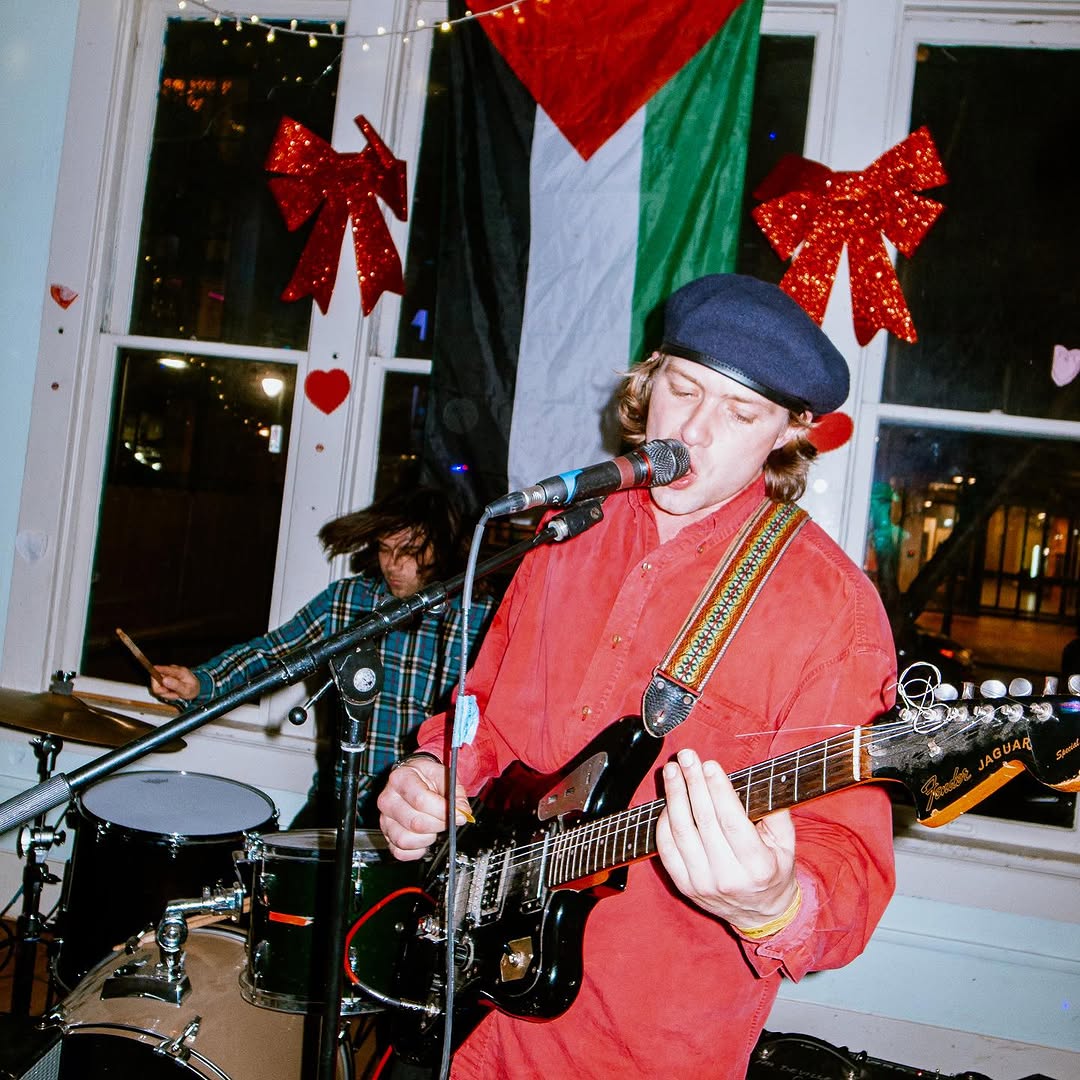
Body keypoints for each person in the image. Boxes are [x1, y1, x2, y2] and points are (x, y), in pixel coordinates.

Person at [377, 275, 898, 1079]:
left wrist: (774, 903)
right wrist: (431, 772)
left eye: (740, 413)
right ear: (648, 380)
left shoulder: (833, 612)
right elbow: (482, 714)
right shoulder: (568, 532)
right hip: (468, 1013)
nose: (693, 429)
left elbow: (850, 867)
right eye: (683, 389)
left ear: (790, 432)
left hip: (637, 1049)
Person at [151, 486, 497, 824]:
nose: (392, 564)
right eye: (384, 548)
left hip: (423, 812)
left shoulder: (479, 617)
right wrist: (202, 683)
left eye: (408, 551)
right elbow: (273, 652)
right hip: (342, 801)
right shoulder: (347, 600)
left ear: (442, 549)